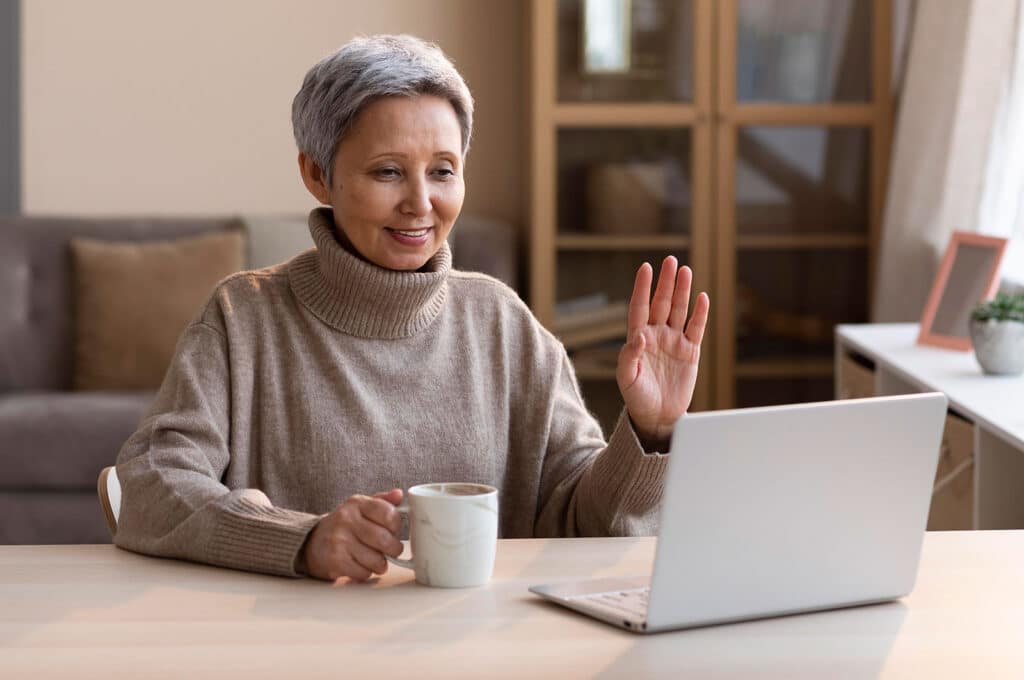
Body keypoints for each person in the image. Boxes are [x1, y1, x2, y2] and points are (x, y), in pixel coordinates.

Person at [114, 34, 710, 582]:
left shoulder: (502, 323)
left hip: (483, 648)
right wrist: (302, 540)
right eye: (389, 172)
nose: (420, 204)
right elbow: (151, 482)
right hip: (288, 649)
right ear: (317, 175)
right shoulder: (242, 318)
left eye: (443, 172)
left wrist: (650, 431)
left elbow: (587, 524)